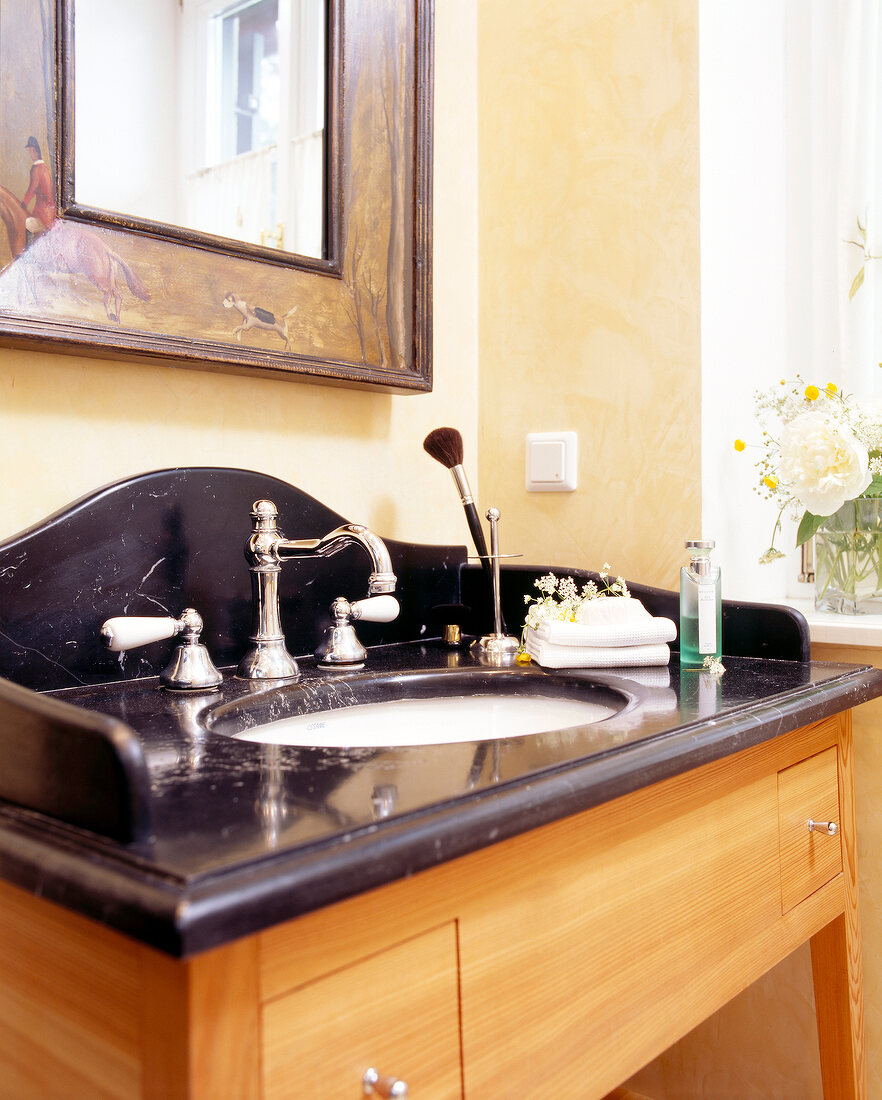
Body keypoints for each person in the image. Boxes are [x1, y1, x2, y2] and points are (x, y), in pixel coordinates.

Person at [22, 136, 56, 238]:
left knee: (27, 225)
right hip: (51, 212)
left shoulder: (36, 169)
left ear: (34, 151)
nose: (30, 154)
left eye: (30, 151)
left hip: (42, 213)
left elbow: (32, 189)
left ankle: (29, 252)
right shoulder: (45, 168)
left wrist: (24, 203)